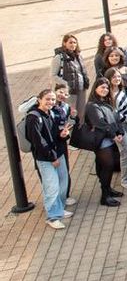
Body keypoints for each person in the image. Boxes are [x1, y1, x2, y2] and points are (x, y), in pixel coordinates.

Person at [27, 89, 72, 229]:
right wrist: (51, 157)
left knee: (63, 182)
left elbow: (54, 135)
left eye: (53, 100)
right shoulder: (33, 118)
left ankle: (59, 208)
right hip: (46, 159)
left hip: (58, 153)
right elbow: (38, 141)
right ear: (39, 100)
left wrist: (62, 135)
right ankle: (52, 217)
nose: (51, 102)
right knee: (51, 186)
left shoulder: (51, 113)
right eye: (47, 99)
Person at [83, 79, 125, 207]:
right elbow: (100, 123)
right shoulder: (91, 105)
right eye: (102, 87)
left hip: (110, 138)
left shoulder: (107, 102)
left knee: (109, 166)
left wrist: (120, 132)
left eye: (107, 88)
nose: (105, 90)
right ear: (95, 88)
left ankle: (108, 190)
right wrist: (114, 135)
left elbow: (116, 119)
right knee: (107, 166)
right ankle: (105, 196)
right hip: (102, 141)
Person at [50, 34, 89, 117]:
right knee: (71, 114)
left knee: (81, 114)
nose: (73, 45)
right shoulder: (59, 57)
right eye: (70, 42)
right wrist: (66, 84)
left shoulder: (79, 56)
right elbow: (53, 75)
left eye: (75, 43)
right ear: (64, 43)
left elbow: (82, 71)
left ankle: (81, 129)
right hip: (69, 92)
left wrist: (86, 82)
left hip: (81, 89)